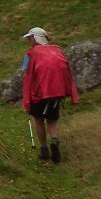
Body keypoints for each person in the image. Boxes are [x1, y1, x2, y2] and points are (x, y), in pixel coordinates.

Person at [21, 27, 79, 163]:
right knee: (52, 119)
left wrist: (26, 94)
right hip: (55, 92)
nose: (29, 41)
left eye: (30, 38)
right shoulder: (56, 51)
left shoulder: (30, 54)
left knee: (39, 119)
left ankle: (44, 149)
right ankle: (54, 140)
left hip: (38, 93)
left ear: (35, 39)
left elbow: (26, 74)